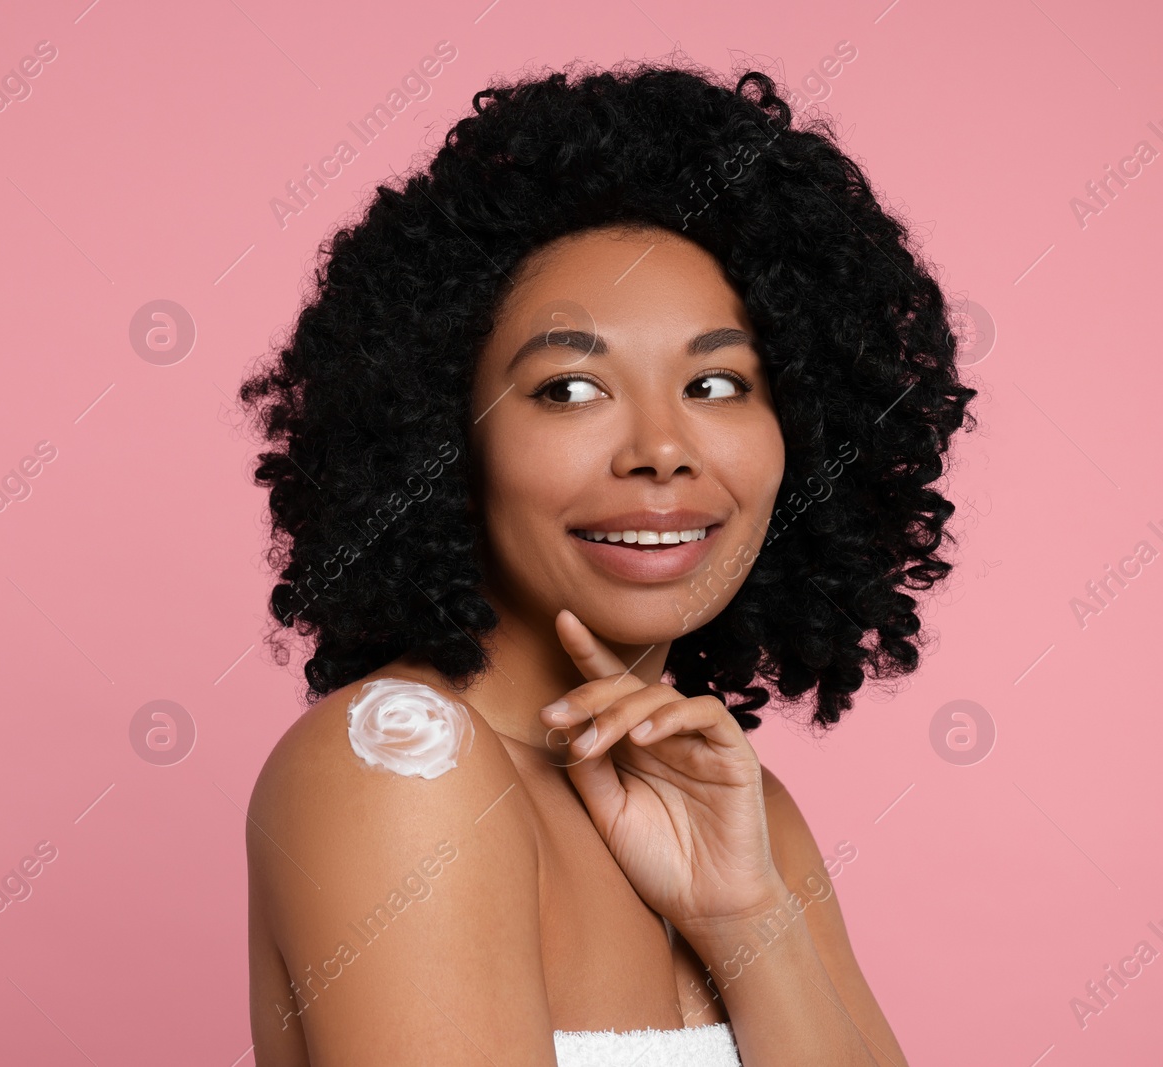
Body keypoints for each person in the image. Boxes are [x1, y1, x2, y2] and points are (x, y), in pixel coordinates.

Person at [237, 56, 975, 1066]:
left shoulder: (743, 815)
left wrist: (746, 916)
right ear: (445, 435)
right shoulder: (398, 772)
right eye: (568, 391)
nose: (662, 447)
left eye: (718, 384)